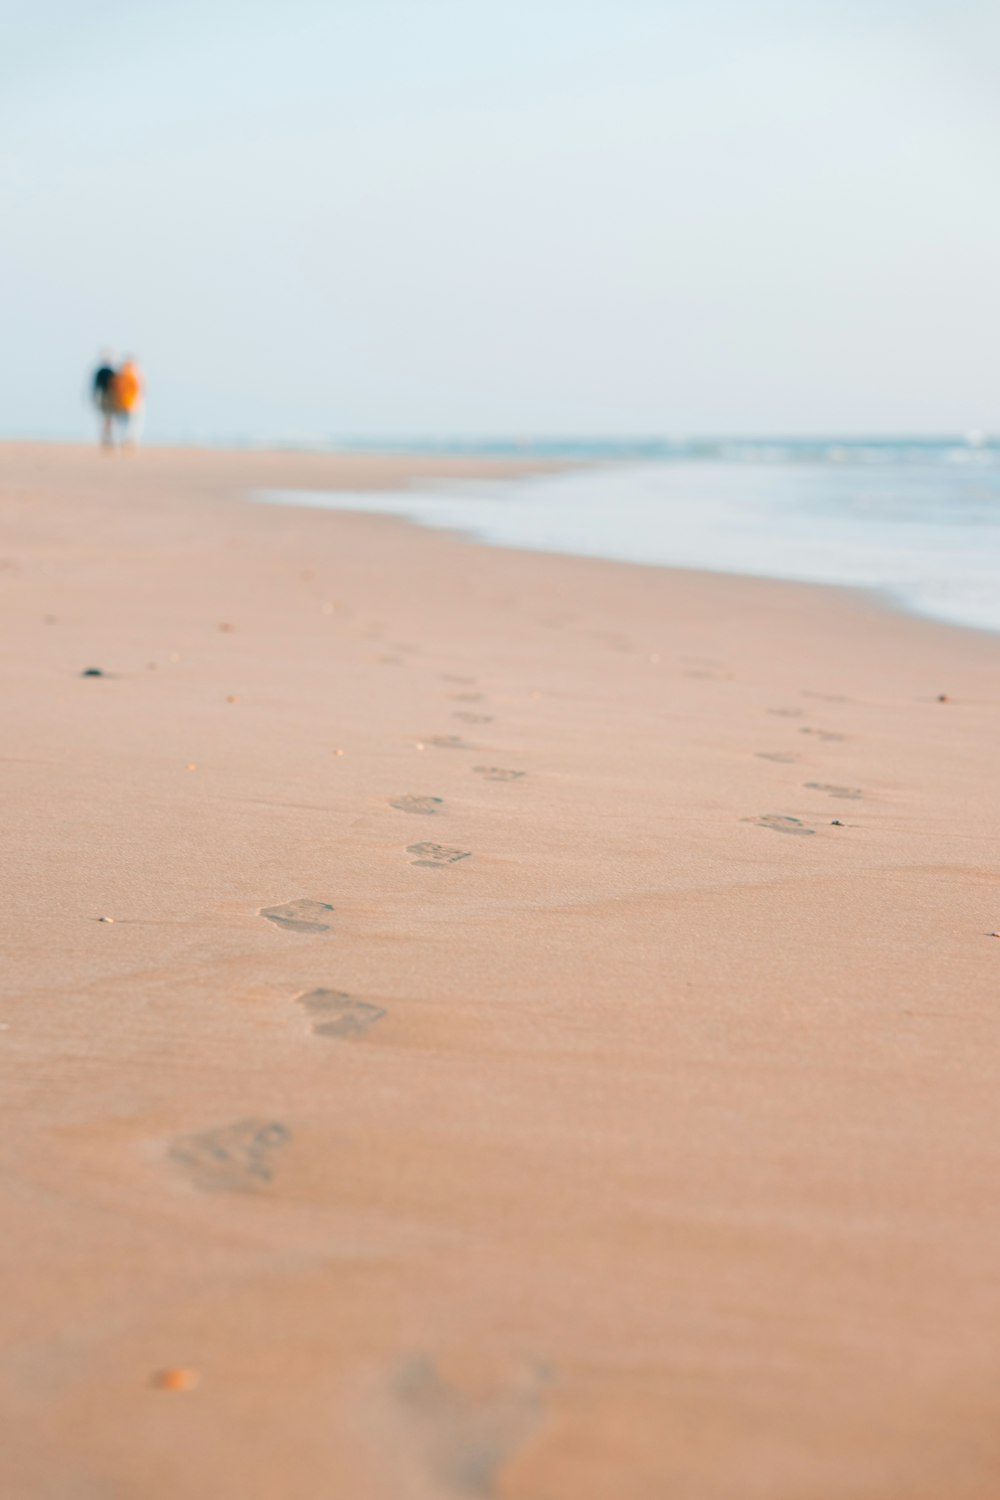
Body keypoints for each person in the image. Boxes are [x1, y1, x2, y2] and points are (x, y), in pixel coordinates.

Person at [111, 357, 144, 447]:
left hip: (121, 402)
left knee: (123, 423)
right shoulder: (131, 375)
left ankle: (124, 439)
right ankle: (127, 439)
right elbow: (138, 389)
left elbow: (114, 388)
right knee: (130, 423)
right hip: (129, 402)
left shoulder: (120, 376)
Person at [91, 352, 118, 449]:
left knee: (106, 419)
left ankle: (106, 439)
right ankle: (106, 439)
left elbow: (95, 386)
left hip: (106, 396)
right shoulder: (110, 371)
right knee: (107, 419)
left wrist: (94, 396)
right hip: (107, 397)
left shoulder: (104, 371)